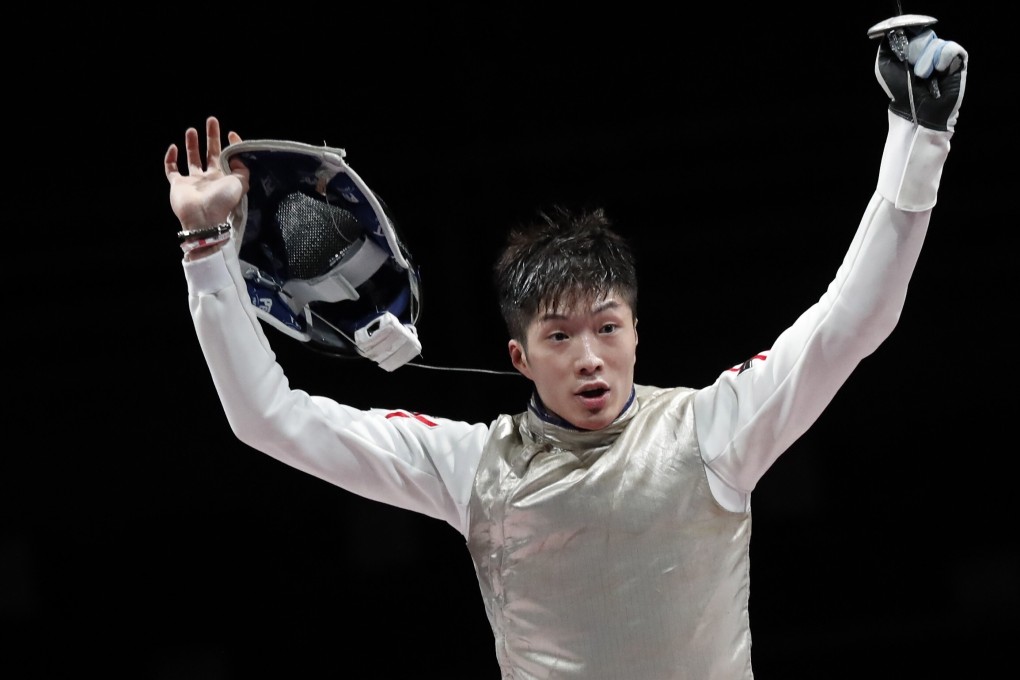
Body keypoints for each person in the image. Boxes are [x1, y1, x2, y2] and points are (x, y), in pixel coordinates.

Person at [164, 20, 968, 680]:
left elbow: (849, 322)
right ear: (520, 357)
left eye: (607, 329)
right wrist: (204, 244)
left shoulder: (710, 432)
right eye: (559, 336)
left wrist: (918, 135)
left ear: (636, 335)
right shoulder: (471, 468)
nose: (589, 357)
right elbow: (268, 419)